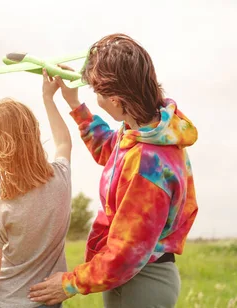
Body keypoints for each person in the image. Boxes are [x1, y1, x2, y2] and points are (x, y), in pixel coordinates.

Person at [28, 33, 199, 307]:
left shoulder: (147, 165)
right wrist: (74, 103)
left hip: (141, 283)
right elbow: (110, 150)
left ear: (117, 100)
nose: (96, 96)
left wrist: (69, 283)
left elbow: (126, 254)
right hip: (132, 278)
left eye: (97, 91)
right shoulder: (148, 131)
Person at [0, 71, 75, 308]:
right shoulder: (61, 179)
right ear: (34, 135)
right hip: (48, 301)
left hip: (4, 302)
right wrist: (49, 98)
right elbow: (64, 142)